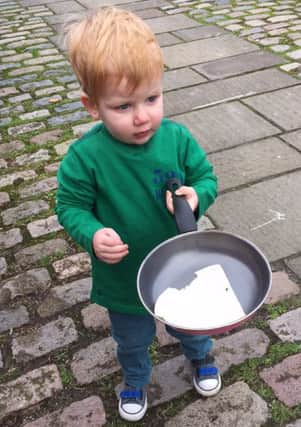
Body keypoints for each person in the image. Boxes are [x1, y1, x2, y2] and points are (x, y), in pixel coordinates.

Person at [56, 6, 220, 422]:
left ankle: (200, 357)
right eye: (123, 106)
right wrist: (92, 234)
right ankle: (135, 379)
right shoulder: (85, 157)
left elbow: (206, 178)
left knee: (190, 323)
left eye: (152, 98)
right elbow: (70, 206)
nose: (143, 115)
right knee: (132, 338)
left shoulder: (177, 139)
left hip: (181, 264)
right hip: (124, 277)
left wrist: (197, 196)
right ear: (92, 106)